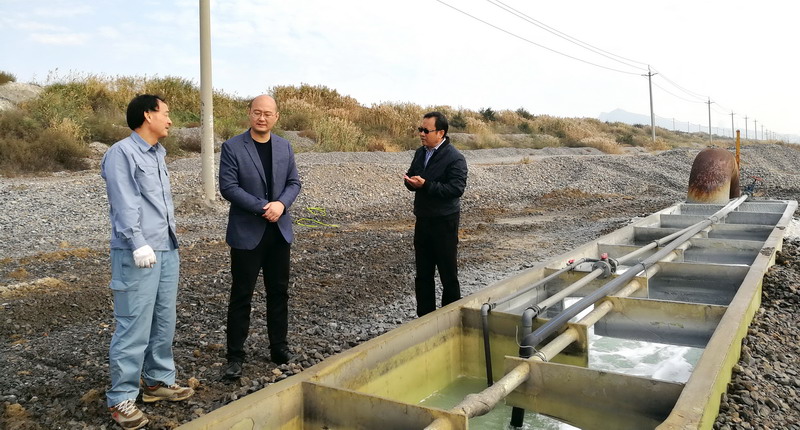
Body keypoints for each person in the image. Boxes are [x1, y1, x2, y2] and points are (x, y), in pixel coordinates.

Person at [101, 94, 194, 430]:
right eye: (165, 113)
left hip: (166, 248)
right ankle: (121, 398)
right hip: (137, 252)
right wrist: (137, 242)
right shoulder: (121, 153)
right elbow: (124, 202)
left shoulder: (158, 154)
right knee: (133, 324)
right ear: (147, 115)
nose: (169, 120)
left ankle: (157, 381)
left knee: (163, 320)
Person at [219, 94, 302, 381]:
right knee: (241, 295)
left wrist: (281, 205)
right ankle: (235, 356)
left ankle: (279, 348)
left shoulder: (284, 146)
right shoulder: (232, 147)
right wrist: (264, 207)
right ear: (249, 113)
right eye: (257, 112)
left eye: (267, 113)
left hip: (279, 232)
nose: (262, 118)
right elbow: (228, 187)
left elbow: (294, 182)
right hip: (247, 233)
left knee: (279, 292)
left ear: (276, 116)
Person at [404, 111, 468, 317]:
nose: (421, 134)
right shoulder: (420, 153)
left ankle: (451, 317)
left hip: (445, 222)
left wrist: (426, 185)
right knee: (423, 273)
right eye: (420, 129)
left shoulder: (455, 158)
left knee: (448, 273)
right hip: (423, 219)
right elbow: (413, 175)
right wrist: (410, 183)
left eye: (426, 130)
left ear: (441, 133)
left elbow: (456, 189)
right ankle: (425, 317)